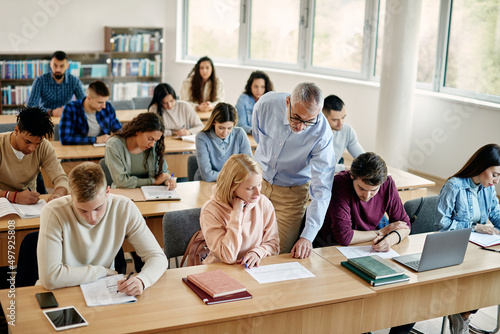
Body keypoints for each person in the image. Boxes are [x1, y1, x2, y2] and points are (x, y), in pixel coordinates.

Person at [37, 162, 168, 295]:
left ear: (107, 191)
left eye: (98, 208)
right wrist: (100, 271)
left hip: (103, 288)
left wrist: (142, 280)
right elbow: (50, 278)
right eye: (82, 210)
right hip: (62, 290)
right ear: (71, 196)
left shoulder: (124, 208)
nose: (92, 218)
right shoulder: (53, 211)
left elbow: (157, 257)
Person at [252, 82, 335, 258]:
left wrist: (308, 235)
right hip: (256, 184)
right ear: (288, 102)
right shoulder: (266, 104)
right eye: (296, 117)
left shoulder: (322, 132)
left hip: (291, 195)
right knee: (247, 245)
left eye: (308, 121)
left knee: (276, 254)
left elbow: (322, 187)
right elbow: (258, 137)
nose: (300, 127)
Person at [435, 143, 500, 334]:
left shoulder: (487, 188)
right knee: (480, 279)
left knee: (491, 279)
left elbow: (496, 215)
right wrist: (474, 227)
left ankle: (463, 313)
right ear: (481, 166)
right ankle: (462, 314)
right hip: (453, 248)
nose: (496, 180)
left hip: (478, 249)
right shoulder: (453, 185)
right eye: (495, 174)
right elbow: (441, 225)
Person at [200, 154, 279, 268]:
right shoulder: (210, 210)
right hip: (220, 271)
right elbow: (228, 256)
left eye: (259, 184)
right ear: (232, 186)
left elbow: (273, 244)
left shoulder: (264, 203)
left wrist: (258, 252)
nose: (258, 193)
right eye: (250, 188)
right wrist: (236, 214)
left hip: (252, 270)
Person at [323, 152, 411, 249]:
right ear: (352, 176)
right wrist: (382, 232)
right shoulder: (340, 184)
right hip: (332, 245)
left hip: (368, 243)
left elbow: (405, 225)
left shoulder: (388, 184)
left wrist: (389, 240)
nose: (367, 195)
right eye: (361, 188)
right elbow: (345, 237)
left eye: (374, 190)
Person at [0, 107, 68, 204]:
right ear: (16, 131)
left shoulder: (44, 146)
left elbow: (60, 178)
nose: (32, 149)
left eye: (37, 143)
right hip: (3, 201)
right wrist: (14, 196)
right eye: (27, 141)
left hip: (30, 203)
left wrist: (58, 193)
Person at [105, 112, 177, 190]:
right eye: (150, 139)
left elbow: (163, 173)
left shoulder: (155, 146)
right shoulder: (114, 145)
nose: (152, 144)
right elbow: (121, 182)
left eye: (155, 140)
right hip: (124, 193)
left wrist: (167, 180)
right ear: (138, 131)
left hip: (151, 194)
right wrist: (153, 181)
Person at [195, 102, 252, 182]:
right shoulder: (201, 137)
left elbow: (249, 166)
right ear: (213, 122)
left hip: (233, 183)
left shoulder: (240, 133)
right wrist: (234, 176)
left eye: (229, 128)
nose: (225, 133)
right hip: (207, 184)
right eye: (221, 128)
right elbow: (207, 176)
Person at [59, 80, 122, 145]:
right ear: (88, 98)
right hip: (78, 151)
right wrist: (96, 139)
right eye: (100, 102)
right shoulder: (70, 109)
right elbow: (65, 139)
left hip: (102, 150)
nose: (104, 106)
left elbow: (118, 129)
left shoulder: (108, 107)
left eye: (105, 101)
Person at [27, 51, 85, 117]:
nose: (58, 69)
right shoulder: (40, 81)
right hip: (44, 119)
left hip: (68, 119)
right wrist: (50, 112)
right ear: (50, 64)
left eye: (62, 66)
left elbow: (84, 104)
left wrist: (72, 109)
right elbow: (30, 107)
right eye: (55, 65)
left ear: (67, 66)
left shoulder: (75, 81)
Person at [322, 95, 364, 172]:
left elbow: (363, 158)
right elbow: (320, 166)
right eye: (335, 120)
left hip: (336, 173)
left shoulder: (347, 130)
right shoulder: (315, 134)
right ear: (323, 117)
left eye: (343, 117)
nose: (340, 123)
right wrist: (345, 168)